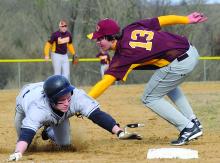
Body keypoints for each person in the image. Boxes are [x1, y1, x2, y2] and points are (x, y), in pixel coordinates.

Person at [87, 12, 208, 146]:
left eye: (100, 39)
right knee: (166, 84)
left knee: (149, 97)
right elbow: (161, 20)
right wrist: (186, 19)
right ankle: (192, 121)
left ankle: (188, 127)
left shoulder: (122, 56)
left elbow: (105, 82)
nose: (97, 42)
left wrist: (84, 100)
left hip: (180, 62)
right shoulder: (131, 27)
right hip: (189, 50)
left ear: (110, 37)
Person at [8, 75, 141, 162]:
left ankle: (48, 131)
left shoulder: (76, 97)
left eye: (68, 97)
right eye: (61, 99)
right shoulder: (37, 108)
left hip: (52, 106)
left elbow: (98, 116)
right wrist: (17, 153)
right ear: (51, 100)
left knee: (65, 146)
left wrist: (119, 132)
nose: (67, 102)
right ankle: (47, 128)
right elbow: (26, 134)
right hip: (25, 101)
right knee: (26, 145)